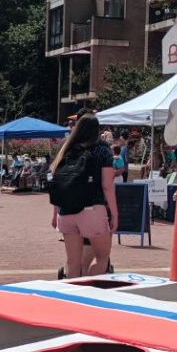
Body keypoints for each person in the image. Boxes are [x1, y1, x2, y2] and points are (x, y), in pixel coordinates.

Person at [49, 114, 118, 278]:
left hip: (66, 211)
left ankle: (73, 300)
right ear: (97, 131)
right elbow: (107, 186)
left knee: (73, 264)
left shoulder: (66, 149)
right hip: (91, 208)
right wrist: (114, 214)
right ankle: (92, 292)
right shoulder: (102, 150)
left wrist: (55, 213)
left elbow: (56, 183)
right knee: (102, 258)